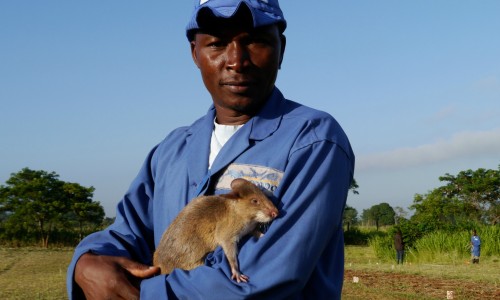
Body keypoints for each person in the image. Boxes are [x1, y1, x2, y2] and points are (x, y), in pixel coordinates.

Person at [67, 0, 355, 299]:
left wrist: (142, 293)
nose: (236, 60)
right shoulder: (171, 150)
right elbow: (127, 233)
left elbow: (264, 280)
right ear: (195, 53)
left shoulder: (313, 140)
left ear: (280, 48)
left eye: (255, 41)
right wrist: (87, 262)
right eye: (217, 43)